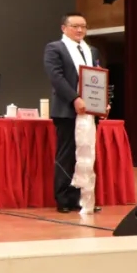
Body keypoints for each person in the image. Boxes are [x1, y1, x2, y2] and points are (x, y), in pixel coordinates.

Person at [43, 12, 106, 214]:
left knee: (87, 153)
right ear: (64, 28)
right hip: (67, 110)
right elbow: (56, 77)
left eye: (83, 26)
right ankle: (64, 198)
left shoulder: (92, 50)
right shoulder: (55, 48)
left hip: (89, 112)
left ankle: (83, 198)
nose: (80, 30)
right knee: (67, 155)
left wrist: (103, 103)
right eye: (75, 26)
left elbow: (98, 79)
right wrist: (75, 98)